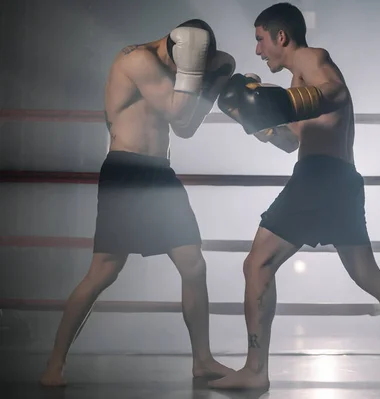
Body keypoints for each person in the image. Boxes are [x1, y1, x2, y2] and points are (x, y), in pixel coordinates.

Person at [210, 2, 380, 391]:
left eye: (260, 39)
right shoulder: (297, 80)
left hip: (318, 179)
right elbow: (290, 143)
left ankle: (255, 371)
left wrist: (282, 104)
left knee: (257, 265)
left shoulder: (311, 58)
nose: (257, 50)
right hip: (340, 180)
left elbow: (334, 92)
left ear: (280, 36)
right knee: (368, 275)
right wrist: (255, 122)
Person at [39, 19, 236, 386]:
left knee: (194, 265)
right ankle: (54, 363)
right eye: (189, 62)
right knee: (103, 272)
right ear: (179, 46)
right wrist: (207, 75)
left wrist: (217, 81)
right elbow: (179, 112)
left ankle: (203, 361)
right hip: (126, 171)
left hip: (160, 173)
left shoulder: (170, 64)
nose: (184, 73)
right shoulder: (136, 60)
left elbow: (185, 128)